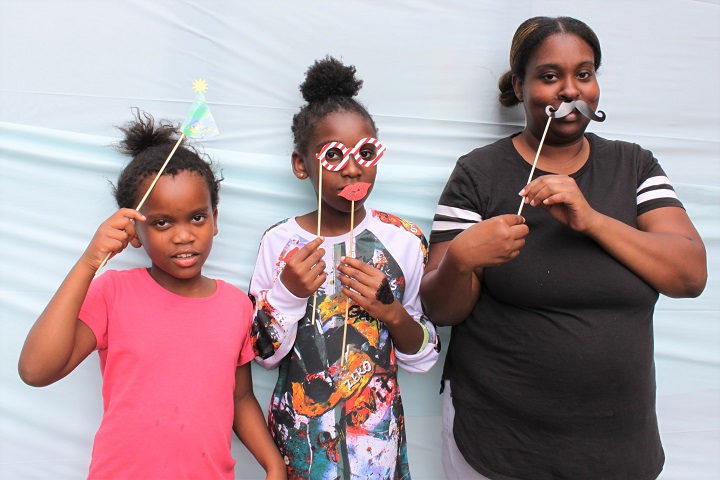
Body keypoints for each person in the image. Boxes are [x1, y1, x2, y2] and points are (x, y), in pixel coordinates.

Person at [420, 16, 707, 480]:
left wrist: (591, 220)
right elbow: (441, 308)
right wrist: (460, 260)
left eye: (584, 74)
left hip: (619, 450)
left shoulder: (634, 166)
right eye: (550, 76)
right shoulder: (478, 174)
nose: (570, 90)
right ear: (520, 84)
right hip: (500, 446)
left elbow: (690, 277)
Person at [18, 111, 286, 480]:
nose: (183, 236)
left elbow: (239, 398)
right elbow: (36, 371)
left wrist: (273, 466)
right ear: (134, 230)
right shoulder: (114, 291)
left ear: (215, 218)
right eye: (162, 223)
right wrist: (88, 262)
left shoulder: (236, 306)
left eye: (197, 218)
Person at [249, 56, 440, 479]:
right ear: (302, 164)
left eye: (366, 152)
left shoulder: (404, 240)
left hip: (376, 441)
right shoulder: (279, 243)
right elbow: (262, 355)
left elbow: (424, 355)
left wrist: (390, 311)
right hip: (301, 445)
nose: (353, 168)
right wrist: (288, 293)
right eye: (334, 155)